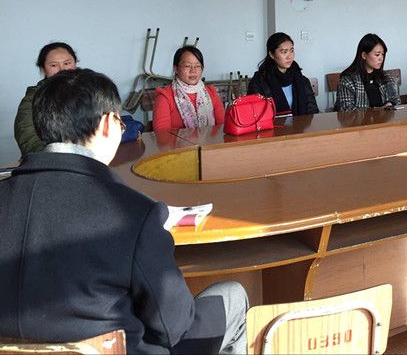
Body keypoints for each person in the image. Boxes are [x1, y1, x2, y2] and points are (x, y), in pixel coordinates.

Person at [0, 68, 247, 353]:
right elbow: (174, 326)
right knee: (233, 296)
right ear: (107, 124)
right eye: (119, 122)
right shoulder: (133, 213)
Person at [14, 42, 78, 156]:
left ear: (75, 64)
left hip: (90, 159)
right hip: (50, 160)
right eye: (53, 65)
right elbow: (27, 137)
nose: (62, 69)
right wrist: (54, 158)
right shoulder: (33, 98)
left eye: (67, 63)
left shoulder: (91, 91)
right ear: (43, 69)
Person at [152, 46, 225, 131]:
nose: (193, 70)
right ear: (176, 68)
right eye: (187, 66)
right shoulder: (165, 96)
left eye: (197, 66)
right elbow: (162, 135)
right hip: (178, 141)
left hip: (212, 140)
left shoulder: (212, 93)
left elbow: (223, 127)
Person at [248, 32, 320, 116]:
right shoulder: (259, 82)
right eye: (284, 52)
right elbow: (255, 114)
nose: (289, 57)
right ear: (271, 54)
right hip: (272, 124)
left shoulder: (302, 80)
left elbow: (312, 111)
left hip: (301, 124)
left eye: (291, 51)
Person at [335, 33, 400, 111]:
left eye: (382, 54)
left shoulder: (387, 78)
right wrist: (377, 111)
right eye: (377, 55)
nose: (381, 58)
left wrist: (390, 104)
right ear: (364, 55)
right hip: (360, 120)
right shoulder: (348, 80)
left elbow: (396, 101)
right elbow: (346, 110)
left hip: (384, 119)